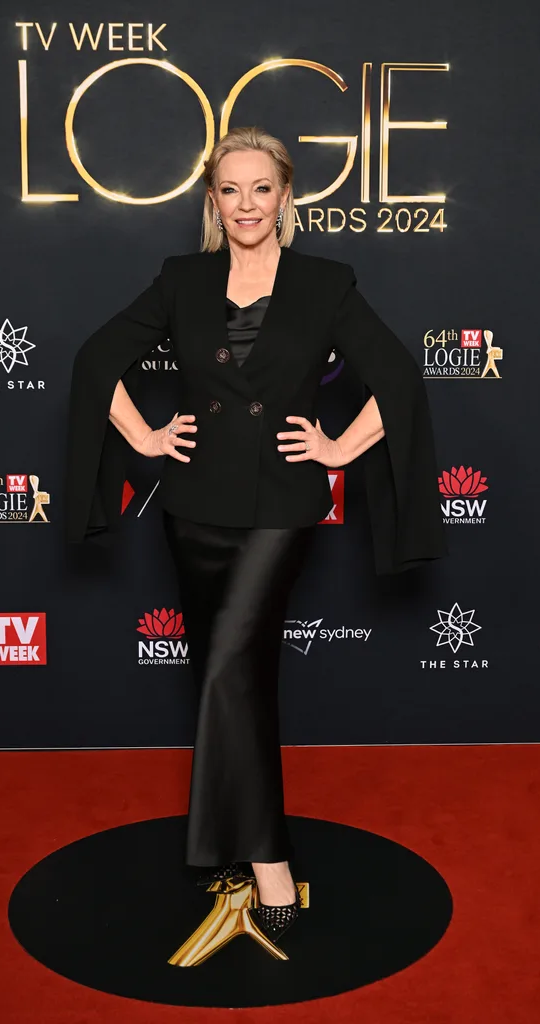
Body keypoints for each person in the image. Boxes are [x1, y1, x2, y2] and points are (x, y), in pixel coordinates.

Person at [63, 125, 448, 947]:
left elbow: (400, 376)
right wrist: (142, 437)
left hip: (282, 507)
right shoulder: (181, 280)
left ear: (285, 196)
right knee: (230, 676)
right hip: (192, 508)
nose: (246, 205)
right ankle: (243, 842)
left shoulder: (325, 282)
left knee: (230, 667)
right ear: (213, 200)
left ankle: (262, 857)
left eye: (260, 189)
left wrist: (341, 448)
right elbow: (97, 359)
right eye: (229, 190)